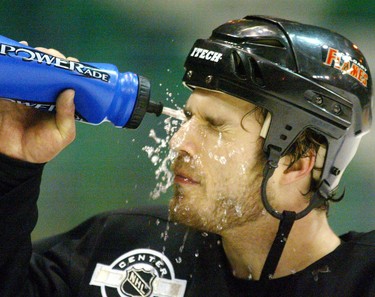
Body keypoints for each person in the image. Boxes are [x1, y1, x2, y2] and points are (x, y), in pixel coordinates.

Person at [0, 15, 374, 297]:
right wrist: (11, 168)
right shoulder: (124, 242)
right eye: (189, 117)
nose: (178, 141)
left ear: (298, 162)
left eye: (213, 126)